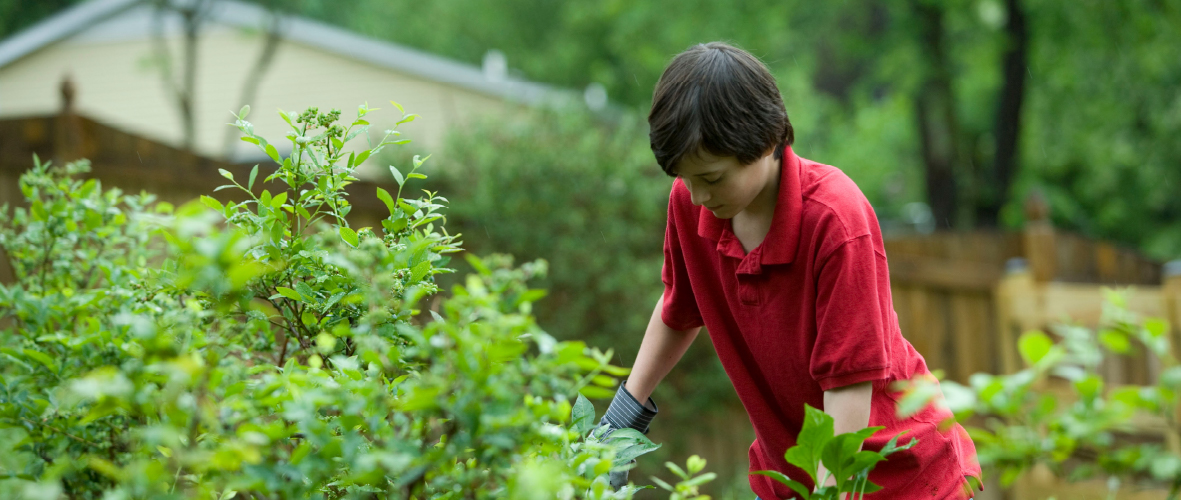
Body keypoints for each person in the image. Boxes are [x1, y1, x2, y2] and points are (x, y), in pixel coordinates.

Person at [598, 42, 983, 499]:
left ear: (763, 141)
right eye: (685, 178)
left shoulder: (835, 219)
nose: (699, 196)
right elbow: (679, 308)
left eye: (713, 178)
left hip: (902, 476)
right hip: (787, 477)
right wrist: (621, 420)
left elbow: (848, 385)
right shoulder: (691, 204)